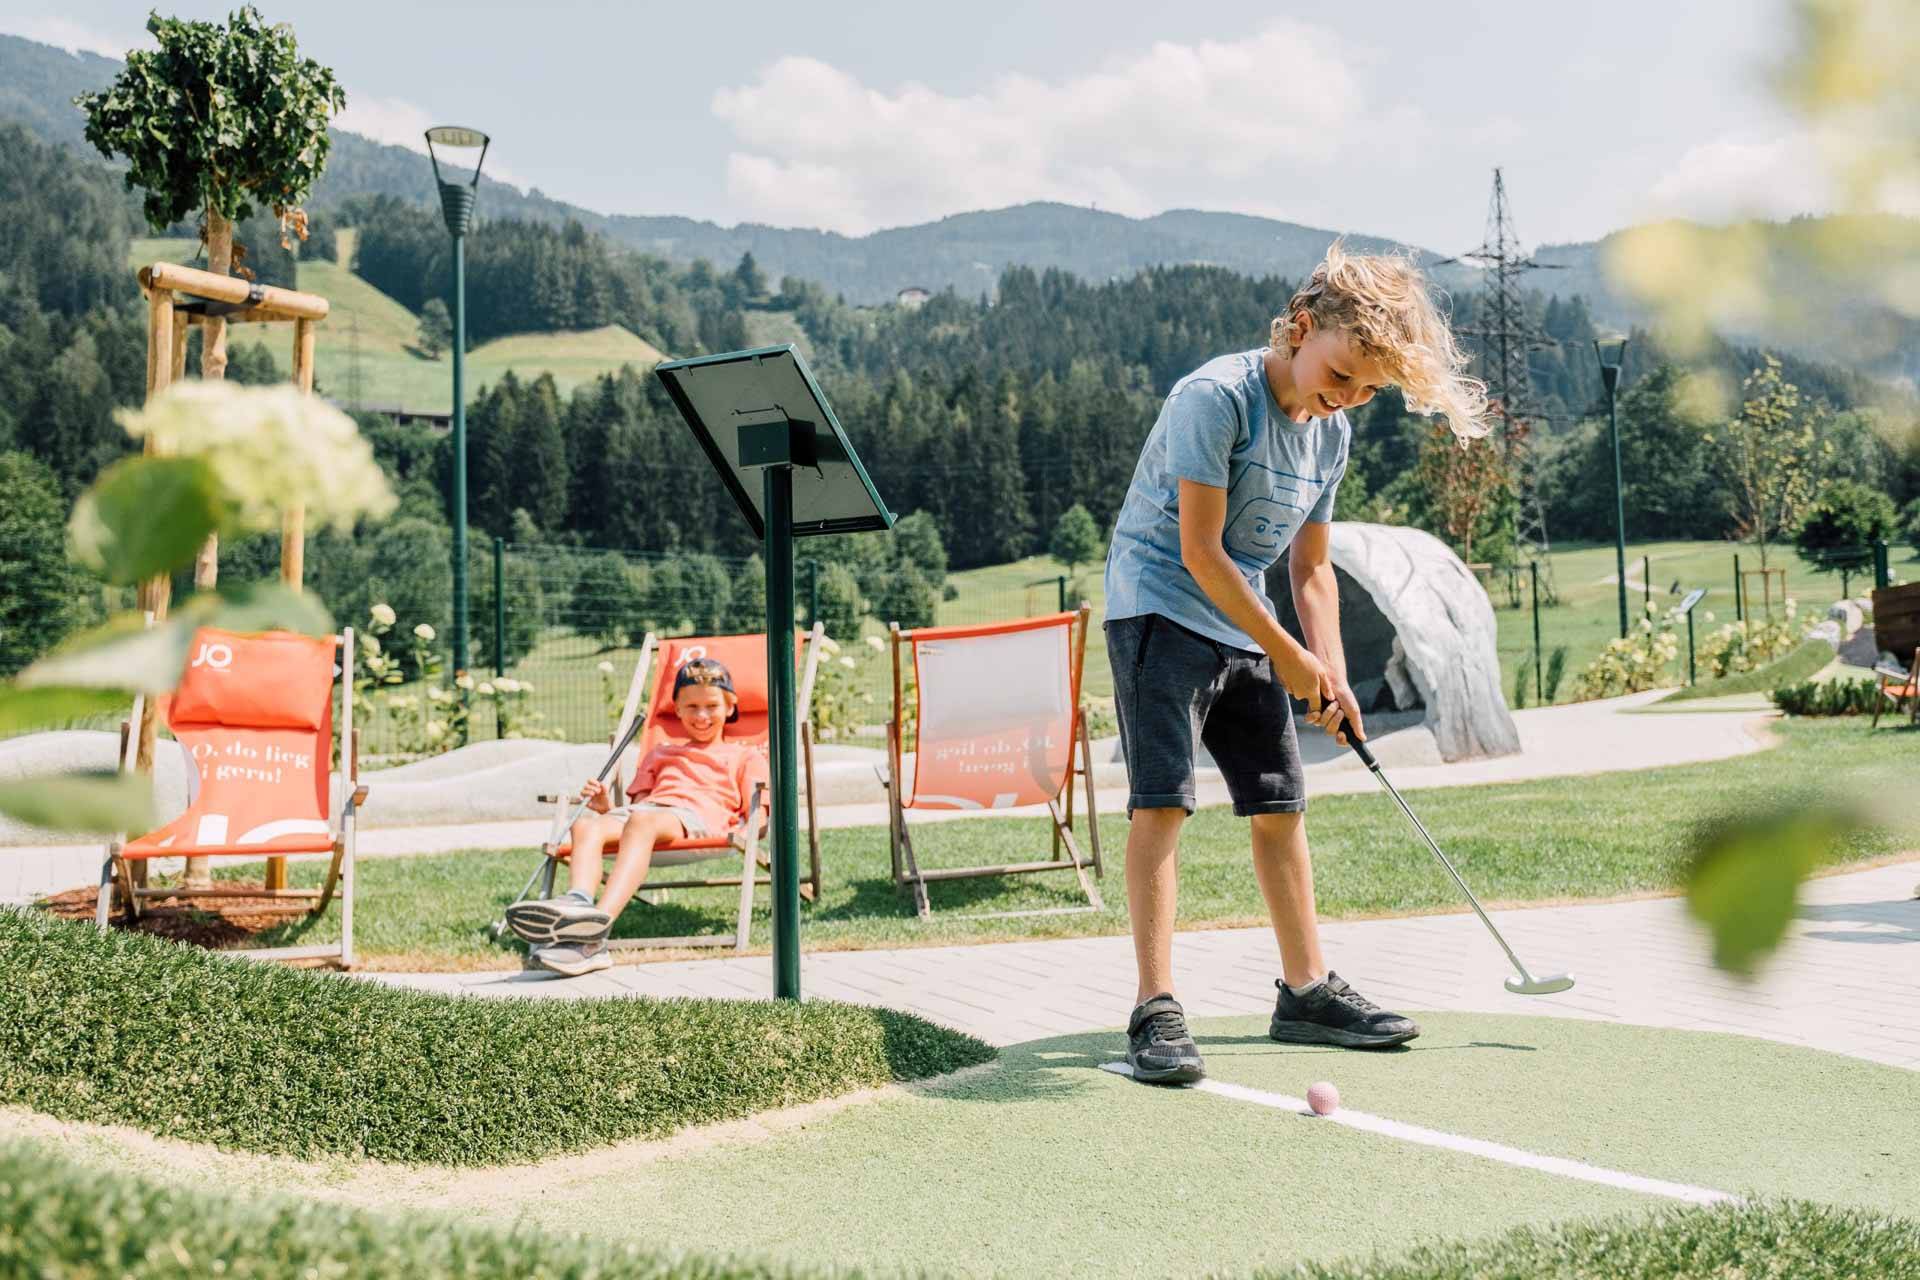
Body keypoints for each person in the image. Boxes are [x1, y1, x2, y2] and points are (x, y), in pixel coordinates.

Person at [1104, 242, 1491, 1084]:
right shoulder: (1217, 398)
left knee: (1280, 803)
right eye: (1343, 372)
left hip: (1245, 621)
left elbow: (1310, 571)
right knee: (1163, 803)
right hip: (1160, 608)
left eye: (1367, 391)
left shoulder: (1332, 435)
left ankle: (1306, 991)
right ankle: (1155, 1007)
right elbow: (1202, 554)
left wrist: (1331, 669)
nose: (1346, 398)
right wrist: (1287, 655)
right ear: (1303, 327)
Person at [505, 656, 769, 976]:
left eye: (711, 706)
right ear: (677, 709)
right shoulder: (660, 753)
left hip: (697, 820)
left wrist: (752, 828)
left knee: (642, 821)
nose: (701, 715)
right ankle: (578, 902)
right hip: (649, 817)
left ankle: (594, 939)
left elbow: (759, 815)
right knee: (586, 825)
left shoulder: (745, 755)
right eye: (691, 707)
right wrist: (604, 804)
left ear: (730, 707)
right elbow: (636, 811)